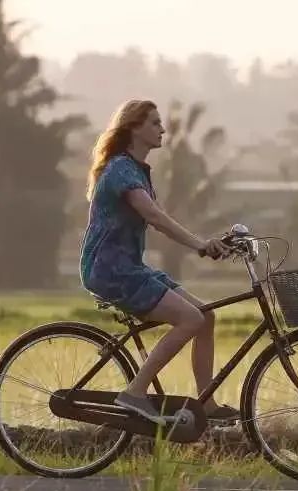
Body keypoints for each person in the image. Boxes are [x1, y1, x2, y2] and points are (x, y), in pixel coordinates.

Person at [79, 99, 238, 424]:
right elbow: (154, 216)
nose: (162, 129)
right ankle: (134, 394)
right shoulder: (121, 169)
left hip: (129, 267)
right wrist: (199, 245)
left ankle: (205, 404)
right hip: (112, 270)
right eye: (154, 123)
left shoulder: (137, 170)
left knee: (206, 317)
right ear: (134, 128)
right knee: (191, 320)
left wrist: (211, 242)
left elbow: (160, 217)